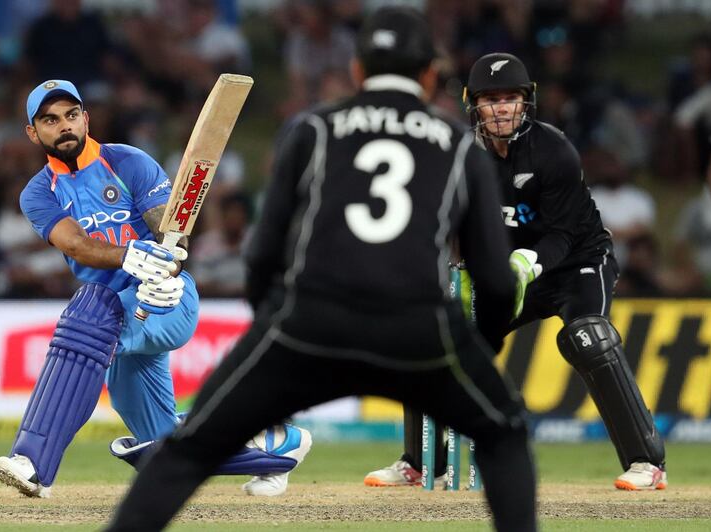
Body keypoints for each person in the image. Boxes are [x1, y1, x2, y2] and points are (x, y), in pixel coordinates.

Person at [107, 8, 537, 532]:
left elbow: (264, 255)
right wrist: (479, 347)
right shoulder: (457, 144)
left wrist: (273, 328)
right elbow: (493, 279)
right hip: (418, 328)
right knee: (505, 431)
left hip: (311, 323)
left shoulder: (312, 128)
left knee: (190, 446)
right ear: (429, 74)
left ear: (357, 70)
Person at [0, 79, 311, 499]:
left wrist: (167, 261)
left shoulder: (127, 162)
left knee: (88, 310)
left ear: (85, 118)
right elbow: (74, 244)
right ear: (34, 133)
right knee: (165, 443)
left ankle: (33, 461)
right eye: (50, 120)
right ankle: (278, 447)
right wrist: (127, 255)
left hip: (166, 300)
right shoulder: (38, 192)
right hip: (115, 315)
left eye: (71, 115)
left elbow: (173, 236)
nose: (64, 126)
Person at [365, 52, 667, 492]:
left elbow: (564, 232)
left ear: (527, 103)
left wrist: (529, 261)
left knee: (589, 338)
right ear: (474, 105)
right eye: (491, 99)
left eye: (510, 98)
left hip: (576, 261)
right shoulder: (461, 155)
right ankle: (424, 462)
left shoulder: (554, 150)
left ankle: (647, 463)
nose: (501, 108)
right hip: (505, 268)